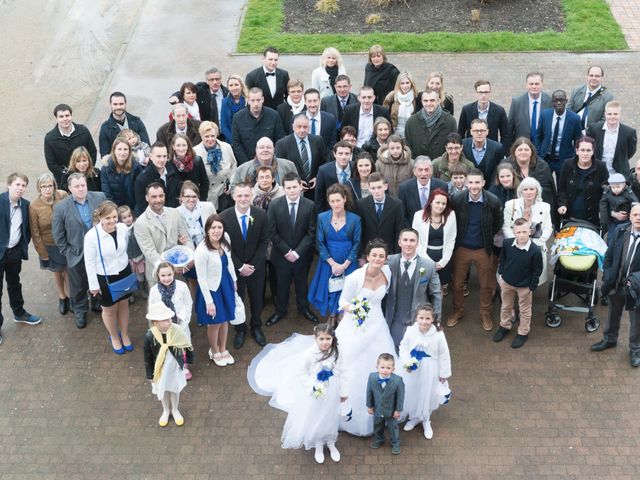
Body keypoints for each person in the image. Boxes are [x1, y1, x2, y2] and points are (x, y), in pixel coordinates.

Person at [248, 323, 347, 464]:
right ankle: (318, 443)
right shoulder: (309, 354)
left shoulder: (338, 351)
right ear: (316, 339)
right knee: (317, 414)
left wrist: (344, 391)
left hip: (333, 388)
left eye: (328, 339)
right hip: (316, 390)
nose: (325, 342)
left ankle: (331, 441)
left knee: (330, 414)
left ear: (332, 339)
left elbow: (342, 370)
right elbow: (301, 373)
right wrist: (313, 387)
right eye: (322, 339)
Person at [335, 239, 397, 436]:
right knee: (350, 364)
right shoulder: (355, 277)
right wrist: (356, 309)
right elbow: (342, 302)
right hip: (355, 325)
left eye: (381, 256)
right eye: (374, 255)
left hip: (377, 323)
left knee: (382, 360)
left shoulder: (387, 272)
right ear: (367, 257)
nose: (378, 259)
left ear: (386, 259)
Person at [448, 169, 503, 331]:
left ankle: (485, 313)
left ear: (483, 183)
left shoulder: (493, 201)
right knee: (457, 284)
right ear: (466, 183)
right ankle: (458, 311)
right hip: (461, 248)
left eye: (477, 182)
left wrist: (486, 237)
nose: (474, 186)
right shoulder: (457, 200)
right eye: (471, 182)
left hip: (483, 249)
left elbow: (498, 223)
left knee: (486, 284)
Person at [52, 174, 106, 328]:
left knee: (98, 278)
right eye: (76, 186)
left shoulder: (100, 198)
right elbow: (58, 233)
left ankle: (96, 302)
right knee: (78, 285)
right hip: (77, 253)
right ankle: (80, 311)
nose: (81, 188)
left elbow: (109, 217)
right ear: (69, 188)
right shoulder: (61, 207)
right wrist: (67, 252)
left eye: (83, 185)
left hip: (99, 251)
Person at [219, 183, 269, 349]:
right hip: (234, 270)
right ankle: (240, 329)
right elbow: (224, 244)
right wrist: (239, 266)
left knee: (257, 299)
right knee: (237, 298)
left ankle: (256, 326)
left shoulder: (261, 215)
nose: (243, 199)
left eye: (246, 195)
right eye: (239, 195)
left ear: (252, 196)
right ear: (233, 196)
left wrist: (253, 264)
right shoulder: (224, 217)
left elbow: (264, 241)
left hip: (256, 268)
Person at [592, 204, 640, 367]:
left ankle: (635, 350)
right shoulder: (621, 231)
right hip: (617, 283)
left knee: (636, 321)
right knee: (613, 314)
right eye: (635, 214)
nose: (638, 218)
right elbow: (609, 255)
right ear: (630, 216)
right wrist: (607, 273)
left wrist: (635, 280)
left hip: (636, 288)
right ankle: (609, 339)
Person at [83, 201, 134, 355]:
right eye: (107, 218)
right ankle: (114, 336)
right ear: (100, 218)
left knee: (124, 304)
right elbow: (89, 261)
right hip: (104, 277)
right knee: (110, 310)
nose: (112, 221)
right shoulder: (91, 236)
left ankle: (124, 334)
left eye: (114, 217)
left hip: (123, 272)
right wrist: (93, 285)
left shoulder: (123, 229)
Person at [267, 172, 318, 326]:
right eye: (288, 188)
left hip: (302, 255)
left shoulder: (310, 205)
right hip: (281, 255)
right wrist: (286, 251)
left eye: (295, 187)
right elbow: (271, 232)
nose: (292, 190)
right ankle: (280, 311)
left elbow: (311, 232)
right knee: (282, 285)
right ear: (284, 188)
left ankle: (304, 309)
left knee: (302, 284)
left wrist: (297, 252)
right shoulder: (275, 205)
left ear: (300, 187)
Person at [308, 184, 361, 323]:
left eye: (338, 200)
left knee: (346, 290)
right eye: (332, 201)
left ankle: (343, 317)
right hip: (328, 262)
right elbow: (320, 242)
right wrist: (332, 264)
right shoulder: (322, 217)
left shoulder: (355, 219)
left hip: (348, 262)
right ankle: (332, 316)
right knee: (331, 289)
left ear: (344, 199)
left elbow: (357, 243)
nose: (335, 204)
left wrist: (344, 265)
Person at [399, 303, 451, 439]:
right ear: (416, 318)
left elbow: (444, 354)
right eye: (421, 318)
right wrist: (406, 362)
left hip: (430, 368)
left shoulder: (438, 335)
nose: (424, 321)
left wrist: (443, 374)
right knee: (414, 390)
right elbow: (403, 347)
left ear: (433, 319)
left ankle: (426, 419)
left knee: (427, 392)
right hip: (413, 368)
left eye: (427, 318)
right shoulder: (410, 331)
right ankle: (415, 417)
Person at [0, 173, 42, 344]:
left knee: (14, 284)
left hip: (14, 253)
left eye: (24, 185)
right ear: (9, 185)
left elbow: (27, 229)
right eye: (17, 184)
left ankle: (19, 313)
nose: (20, 188)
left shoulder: (25, 205)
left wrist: (20, 247)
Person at [386, 229, 442, 347]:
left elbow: (436, 294)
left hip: (417, 320)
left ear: (417, 243)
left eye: (412, 240)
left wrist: (435, 321)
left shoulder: (429, 265)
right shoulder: (388, 262)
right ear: (399, 242)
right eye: (405, 240)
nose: (408, 244)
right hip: (394, 319)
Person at [493, 218, 544, 348]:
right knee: (506, 306)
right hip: (507, 282)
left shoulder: (535, 250)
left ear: (530, 231)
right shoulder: (507, 244)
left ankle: (523, 332)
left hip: (524, 287)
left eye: (524, 232)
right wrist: (501, 275)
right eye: (518, 232)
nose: (521, 235)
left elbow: (537, 270)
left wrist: (532, 286)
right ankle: (504, 326)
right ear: (514, 232)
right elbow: (503, 259)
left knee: (525, 311)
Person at [194, 215, 236, 366]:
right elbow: (201, 278)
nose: (217, 231)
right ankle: (214, 350)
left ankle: (223, 348)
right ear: (207, 230)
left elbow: (229, 261)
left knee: (225, 320)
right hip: (212, 289)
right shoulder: (201, 250)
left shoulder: (225, 241)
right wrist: (209, 302)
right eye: (213, 228)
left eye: (219, 227)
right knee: (215, 323)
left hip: (225, 284)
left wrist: (235, 281)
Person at [134, 182, 194, 287]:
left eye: (161, 196)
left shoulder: (175, 213)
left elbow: (186, 238)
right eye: (154, 197)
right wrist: (169, 268)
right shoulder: (140, 223)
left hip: (179, 271)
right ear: (147, 198)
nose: (158, 200)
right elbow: (150, 253)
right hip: (158, 274)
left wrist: (190, 258)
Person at [143, 302, 192, 427]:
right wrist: (149, 375)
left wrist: (189, 360)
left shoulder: (177, 330)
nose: (169, 322)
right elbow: (147, 357)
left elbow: (187, 345)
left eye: (169, 318)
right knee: (163, 390)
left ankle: (175, 410)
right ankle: (166, 410)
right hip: (160, 370)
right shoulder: (150, 336)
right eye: (164, 320)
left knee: (175, 390)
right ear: (156, 323)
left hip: (174, 368)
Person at [29, 173, 70, 314]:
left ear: (54, 186)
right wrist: (42, 252)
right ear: (39, 188)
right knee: (58, 271)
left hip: (66, 241)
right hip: (49, 244)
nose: (47, 189)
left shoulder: (63, 195)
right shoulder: (34, 206)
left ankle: (72, 296)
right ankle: (62, 297)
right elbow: (35, 232)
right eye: (43, 186)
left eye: (50, 185)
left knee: (69, 270)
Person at [503, 177, 553, 286]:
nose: (528, 192)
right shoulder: (510, 205)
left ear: (537, 191)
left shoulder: (545, 207)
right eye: (525, 190)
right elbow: (506, 227)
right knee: (511, 276)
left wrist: (534, 244)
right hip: (515, 245)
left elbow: (548, 228)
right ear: (520, 191)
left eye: (532, 189)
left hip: (536, 246)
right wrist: (517, 242)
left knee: (531, 278)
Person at [149, 261, 194, 378]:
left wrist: (185, 320)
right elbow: (152, 308)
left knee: (181, 345)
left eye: (169, 274)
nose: (166, 278)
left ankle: (183, 365)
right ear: (158, 275)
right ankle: (168, 366)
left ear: (174, 273)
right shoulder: (154, 290)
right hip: (163, 326)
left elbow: (188, 303)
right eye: (163, 275)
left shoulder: (182, 286)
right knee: (166, 346)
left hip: (180, 323)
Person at [412, 189, 456, 297]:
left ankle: (437, 312)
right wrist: (429, 262)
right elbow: (416, 240)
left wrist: (443, 262)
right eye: (438, 202)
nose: (441, 206)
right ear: (431, 202)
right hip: (424, 257)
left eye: (443, 203)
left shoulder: (451, 215)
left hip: (443, 258)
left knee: (439, 288)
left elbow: (451, 239)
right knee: (423, 286)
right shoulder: (418, 215)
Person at [557, 136, 608, 226]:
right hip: (569, 216)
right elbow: (562, 189)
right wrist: (562, 204)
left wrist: (602, 210)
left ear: (593, 151)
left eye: (588, 150)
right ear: (577, 151)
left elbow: (606, 192)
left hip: (592, 217)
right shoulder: (567, 164)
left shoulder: (601, 167)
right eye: (582, 150)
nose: (585, 153)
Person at [177, 181, 216, 297]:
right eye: (187, 196)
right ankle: (198, 309)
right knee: (194, 282)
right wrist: (179, 240)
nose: (191, 199)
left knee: (211, 281)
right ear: (181, 198)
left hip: (209, 251)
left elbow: (217, 225)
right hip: (190, 255)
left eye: (194, 196)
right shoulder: (176, 213)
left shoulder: (207, 207)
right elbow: (174, 234)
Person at [274, 113, 328, 198]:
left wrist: (318, 177)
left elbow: (324, 162)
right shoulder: (282, 144)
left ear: (309, 127)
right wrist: (296, 181)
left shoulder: (318, 140)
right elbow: (280, 169)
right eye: (299, 127)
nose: (302, 130)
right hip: (293, 191)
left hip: (315, 189)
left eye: (305, 127)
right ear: (293, 127)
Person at [44, 104, 97, 186]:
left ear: (71, 116)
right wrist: (67, 175)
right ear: (56, 118)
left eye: (67, 115)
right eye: (61, 116)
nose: (65, 119)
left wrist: (86, 170)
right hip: (63, 181)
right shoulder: (50, 139)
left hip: (86, 177)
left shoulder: (83, 131)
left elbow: (92, 152)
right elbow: (51, 163)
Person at [231, 87, 286, 165]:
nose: (256, 104)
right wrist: (247, 163)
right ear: (248, 100)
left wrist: (270, 159)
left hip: (270, 163)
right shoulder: (238, 117)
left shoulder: (274, 115)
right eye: (253, 100)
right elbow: (236, 143)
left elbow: (279, 140)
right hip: (246, 163)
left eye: (258, 100)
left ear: (263, 99)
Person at [535, 89, 583, 176]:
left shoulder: (574, 118)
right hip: (546, 158)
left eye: (561, 100)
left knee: (562, 186)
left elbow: (578, 140)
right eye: (556, 100)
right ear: (552, 102)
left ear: (566, 101)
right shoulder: (545, 115)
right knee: (545, 184)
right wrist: (538, 154)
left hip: (564, 159)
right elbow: (539, 135)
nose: (559, 103)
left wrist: (572, 157)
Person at [357, 173, 404, 256]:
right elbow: (360, 232)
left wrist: (397, 254)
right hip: (369, 252)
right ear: (369, 188)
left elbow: (399, 230)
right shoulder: (361, 204)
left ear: (385, 186)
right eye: (373, 188)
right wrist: (362, 254)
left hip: (389, 252)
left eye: (379, 187)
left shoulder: (396, 204)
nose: (376, 191)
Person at [366, 353, 405, 455]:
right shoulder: (372, 377)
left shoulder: (398, 380)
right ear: (377, 367)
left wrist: (398, 410)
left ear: (393, 369)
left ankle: (395, 443)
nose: (385, 370)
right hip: (378, 408)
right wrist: (369, 406)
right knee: (377, 425)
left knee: (393, 427)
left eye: (388, 368)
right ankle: (379, 439)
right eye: (382, 367)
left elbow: (400, 396)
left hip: (391, 410)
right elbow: (369, 392)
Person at [587, 101, 638, 178]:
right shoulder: (594, 129)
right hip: (597, 171)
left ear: (620, 114)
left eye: (615, 114)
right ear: (605, 114)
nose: (612, 116)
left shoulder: (629, 132)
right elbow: (590, 147)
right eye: (609, 114)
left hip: (619, 172)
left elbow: (630, 152)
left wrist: (620, 159)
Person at [193, 121, 237, 209]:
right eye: (206, 136)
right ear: (201, 136)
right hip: (207, 195)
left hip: (224, 194)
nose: (210, 139)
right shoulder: (195, 151)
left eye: (212, 136)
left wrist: (231, 185)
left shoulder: (226, 147)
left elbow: (233, 165)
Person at [404, 89, 457, 161]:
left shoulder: (450, 121)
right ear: (421, 102)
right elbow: (408, 147)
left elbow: (453, 146)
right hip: (419, 168)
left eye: (432, 100)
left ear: (438, 101)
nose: (429, 104)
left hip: (442, 167)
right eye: (425, 101)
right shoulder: (411, 122)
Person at [506, 137, 557, 210]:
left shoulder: (542, 166)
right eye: (520, 150)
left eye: (526, 150)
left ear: (531, 152)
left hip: (538, 205)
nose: (523, 152)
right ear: (514, 152)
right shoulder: (506, 166)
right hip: (514, 207)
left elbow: (548, 192)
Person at [230, 137, 297, 191]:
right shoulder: (242, 169)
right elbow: (233, 190)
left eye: (268, 147)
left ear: (273, 149)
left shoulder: (289, 166)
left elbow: (298, 187)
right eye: (261, 147)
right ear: (256, 150)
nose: (265, 150)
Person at [458, 79, 510, 148]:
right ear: (476, 93)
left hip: (492, 151)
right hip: (470, 151)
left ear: (490, 93)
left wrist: (501, 152)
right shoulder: (467, 110)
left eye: (486, 92)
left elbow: (505, 135)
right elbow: (460, 133)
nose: (483, 95)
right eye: (480, 92)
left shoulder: (499, 111)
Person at [397, 156, 448, 226]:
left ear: (431, 170)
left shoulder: (442, 186)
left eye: (427, 170)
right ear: (414, 171)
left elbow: (445, 211)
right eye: (420, 170)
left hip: (435, 228)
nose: (423, 174)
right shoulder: (404, 188)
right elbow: (402, 214)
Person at [134, 143, 182, 215]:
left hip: (173, 214)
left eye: (164, 156)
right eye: (158, 156)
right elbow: (142, 206)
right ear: (151, 156)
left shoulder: (174, 171)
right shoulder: (142, 179)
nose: (162, 160)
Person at [98, 91, 150, 156]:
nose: (118, 107)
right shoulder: (105, 128)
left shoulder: (136, 121)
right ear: (110, 105)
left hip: (140, 163)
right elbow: (104, 155)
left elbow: (147, 145)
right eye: (115, 104)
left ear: (125, 104)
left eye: (121, 104)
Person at [314, 141, 361, 212]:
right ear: (334, 154)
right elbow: (319, 198)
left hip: (353, 212)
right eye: (340, 154)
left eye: (347, 154)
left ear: (351, 155)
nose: (343, 157)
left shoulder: (356, 168)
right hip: (331, 212)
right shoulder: (323, 170)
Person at [507, 72, 552, 146]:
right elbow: (509, 128)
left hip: (544, 148)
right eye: (531, 84)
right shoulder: (517, 102)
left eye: (537, 84)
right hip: (522, 147)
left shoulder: (550, 101)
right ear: (526, 85)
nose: (534, 86)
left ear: (542, 84)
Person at [567, 65, 614, 131]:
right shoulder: (576, 90)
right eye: (591, 75)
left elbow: (605, 119)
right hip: (574, 130)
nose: (594, 78)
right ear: (587, 76)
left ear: (602, 78)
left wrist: (588, 131)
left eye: (597, 76)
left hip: (593, 134)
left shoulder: (608, 97)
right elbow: (568, 109)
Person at [100, 136, 143, 210]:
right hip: (116, 210)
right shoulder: (106, 169)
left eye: (125, 149)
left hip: (134, 209)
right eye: (119, 149)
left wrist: (136, 212)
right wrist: (116, 212)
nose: (122, 153)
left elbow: (140, 191)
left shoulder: (136, 167)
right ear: (114, 150)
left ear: (129, 151)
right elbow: (107, 194)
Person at [245, 46, 290, 111]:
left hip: (280, 114)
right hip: (261, 115)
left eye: (276, 60)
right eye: (270, 59)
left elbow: (288, 96)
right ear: (264, 59)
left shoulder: (284, 75)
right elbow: (248, 99)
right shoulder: (252, 76)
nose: (273, 62)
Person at [462, 118, 505, 184]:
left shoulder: (497, 148)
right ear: (471, 132)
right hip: (468, 186)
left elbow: (500, 170)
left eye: (482, 130)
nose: (479, 133)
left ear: (487, 131)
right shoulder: (463, 146)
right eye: (476, 130)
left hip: (491, 187)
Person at [117, 205, 147, 299]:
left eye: (129, 216)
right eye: (124, 218)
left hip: (139, 255)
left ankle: (142, 288)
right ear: (120, 220)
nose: (128, 219)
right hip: (128, 258)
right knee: (129, 276)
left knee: (141, 274)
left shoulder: (138, 225)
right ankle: (131, 293)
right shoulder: (119, 230)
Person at [168, 133, 209, 200]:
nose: (181, 148)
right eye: (178, 145)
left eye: (184, 145)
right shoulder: (168, 164)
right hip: (176, 203)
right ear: (173, 146)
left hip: (194, 201)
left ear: (188, 146)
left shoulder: (197, 161)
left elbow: (204, 182)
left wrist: (201, 200)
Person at [599, 173, 638, 237]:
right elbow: (603, 206)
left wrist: (631, 215)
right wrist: (603, 222)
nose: (616, 189)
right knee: (611, 236)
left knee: (624, 236)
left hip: (626, 220)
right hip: (612, 221)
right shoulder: (607, 193)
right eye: (613, 187)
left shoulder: (628, 192)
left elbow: (635, 203)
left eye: (618, 187)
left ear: (624, 185)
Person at [383, 71, 418, 138]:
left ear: (411, 83)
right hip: (395, 133)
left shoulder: (416, 96)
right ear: (398, 84)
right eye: (402, 83)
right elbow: (384, 114)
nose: (405, 86)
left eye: (407, 83)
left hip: (411, 134)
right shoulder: (392, 96)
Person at [219, 74, 247, 143]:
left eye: (236, 85)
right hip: (231, 141)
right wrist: (233, 141)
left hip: (247, 139)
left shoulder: (248, 101)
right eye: (231, 85)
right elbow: (224, 126)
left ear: (241, 86)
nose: (234, 88)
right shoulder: (225, 102)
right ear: (228, 87)